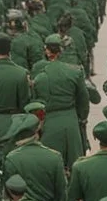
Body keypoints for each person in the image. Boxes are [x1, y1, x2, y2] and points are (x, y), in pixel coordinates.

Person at [33, 34, 90, 169]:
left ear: (47, 50)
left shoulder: (38, 69)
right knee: (76, 165)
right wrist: (81, 119)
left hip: (48, 121)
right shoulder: (74, 71)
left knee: (48, 165)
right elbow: (83, 99)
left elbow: (34, 99)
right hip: (70, 120)